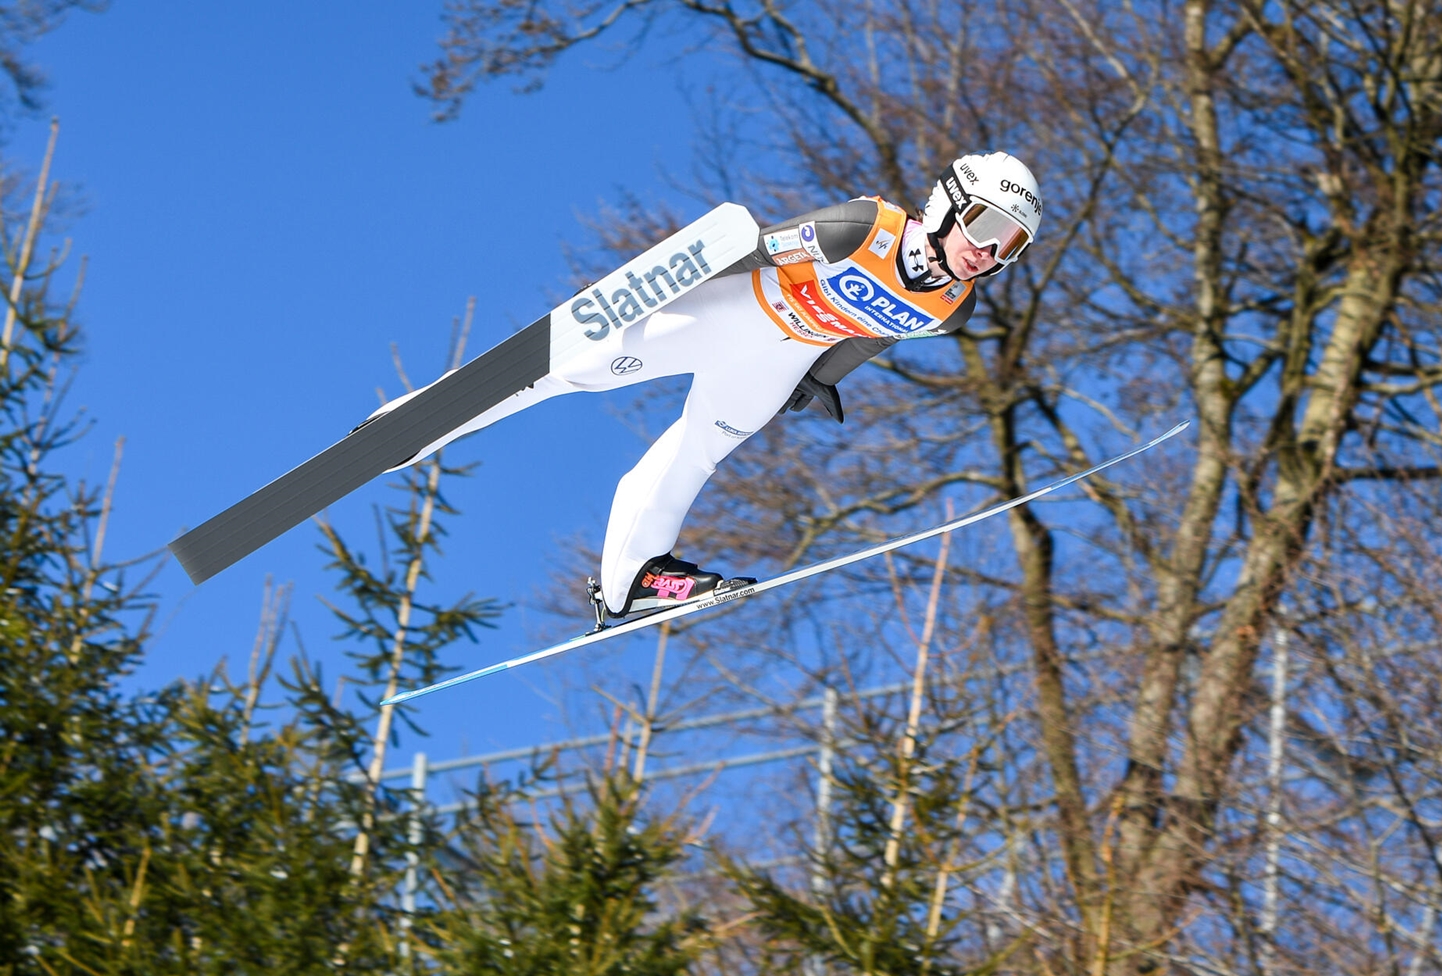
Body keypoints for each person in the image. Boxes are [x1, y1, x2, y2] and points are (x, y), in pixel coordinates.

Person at [374, 151, 1042, 623]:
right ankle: (416, 423)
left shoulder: (954, 307)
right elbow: (754, 248)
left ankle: (630, 578)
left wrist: (817, 382)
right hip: (729, 311)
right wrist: (643, 293)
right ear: (948, 205)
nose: (990, 252)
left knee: (699, 452)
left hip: (780, 360)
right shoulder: (864, 229)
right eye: (986, 227)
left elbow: (872, 333)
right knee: (569, 366)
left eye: (1010, 245)